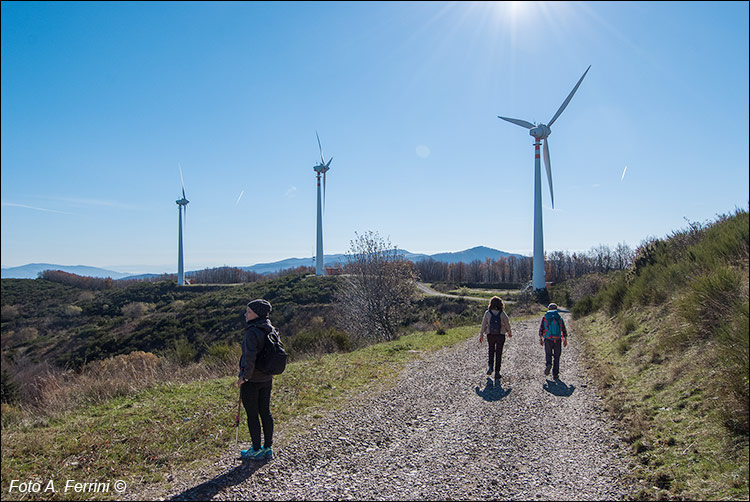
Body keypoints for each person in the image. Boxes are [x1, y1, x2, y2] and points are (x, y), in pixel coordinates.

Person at [237, 298, 276, 460]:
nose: (245, 314)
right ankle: (268, 448)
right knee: (265, 412)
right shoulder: (271, 329)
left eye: (249, 312)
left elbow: (250, 358)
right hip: (267, 378)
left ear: (257, 314)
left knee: (252, 415)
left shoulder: (252, 332)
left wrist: (244, 377)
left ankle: (255, 448)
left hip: (252, 381)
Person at [479, 296, 512, 379]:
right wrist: (509, 332)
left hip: (490, 334)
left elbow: (483, 324)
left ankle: (490, 367)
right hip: (500, 335)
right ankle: (497, 371)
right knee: (499, 352)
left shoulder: (488, 313)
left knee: (491, 350)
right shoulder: (502, 313)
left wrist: (481, 334)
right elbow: (507, 323)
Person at [538, 302, 568, 379]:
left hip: (548, 339)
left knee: (548, 354)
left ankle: (549, 364)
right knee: (557, 356)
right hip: (557, 339)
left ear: (548, 309)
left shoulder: (545, 318)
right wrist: (565, 339)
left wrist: (541, 339)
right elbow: (563, 329)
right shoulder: (559, 318)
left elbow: (541, 329)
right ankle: (555, 373)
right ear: (556, 309)